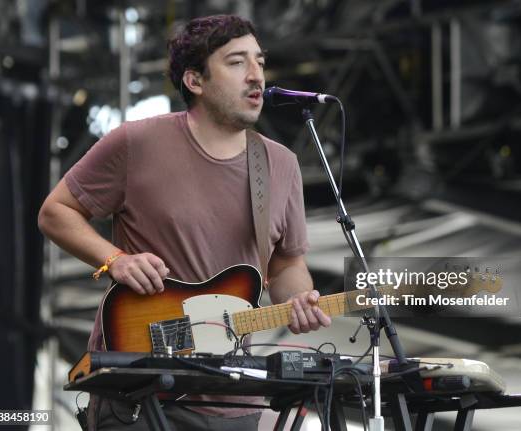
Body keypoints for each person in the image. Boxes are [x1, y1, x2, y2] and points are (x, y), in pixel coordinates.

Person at [38, 14, 331, 431]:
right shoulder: (136, 142)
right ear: (194, 80)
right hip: (140, 386)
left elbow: (284, 265)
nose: (256, 76)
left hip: (233, 393)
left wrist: (299, 301)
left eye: (260, 62)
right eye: (236, 62)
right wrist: (115, 259)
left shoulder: (279, 164)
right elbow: (55, 211)